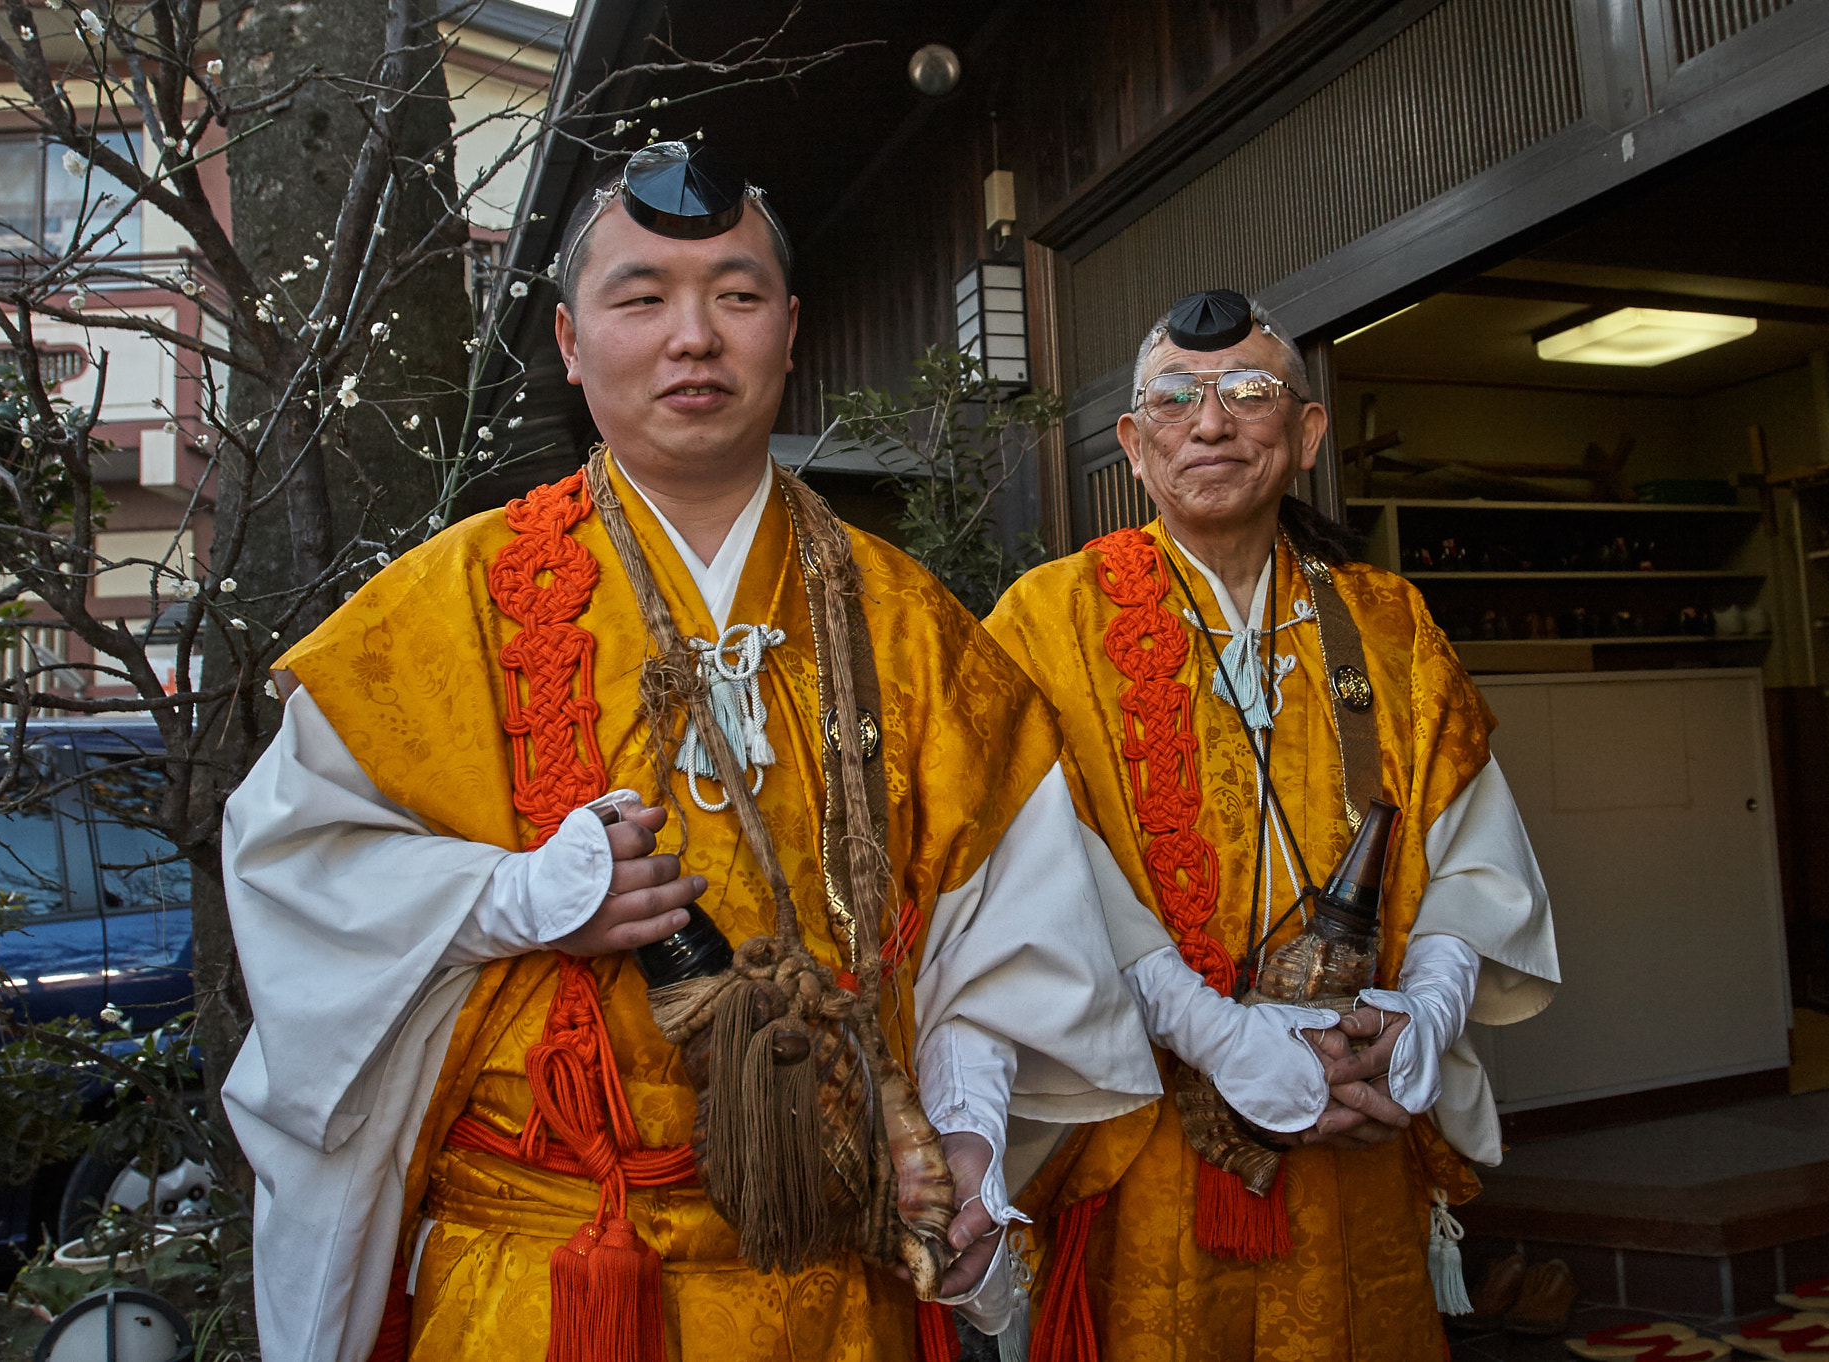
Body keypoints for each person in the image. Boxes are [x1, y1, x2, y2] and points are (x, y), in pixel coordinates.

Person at [218, 142, 1160, 1362]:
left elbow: (1006, 932)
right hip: (549, 1279)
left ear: (788, 326)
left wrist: (967, 1136)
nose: (693, 336)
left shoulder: (909, 624)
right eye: (641, 296)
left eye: (735, 293)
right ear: (568, 341)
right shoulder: (445, 608)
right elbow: (293, 872)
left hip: (833, 1278)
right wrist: (504, 899)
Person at [985, 290, 1560, 1361]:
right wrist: (1213, 1035)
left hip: (1361, 1112)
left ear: (1302, 434)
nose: (1208, 424)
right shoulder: (1044, 620)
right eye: (1172, 398)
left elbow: (1467, 840)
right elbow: (1023, 862)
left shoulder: (1386, 622)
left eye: (1247, 393)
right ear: (1131, 444)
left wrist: (1426, 1009)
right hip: (1149, 1135)